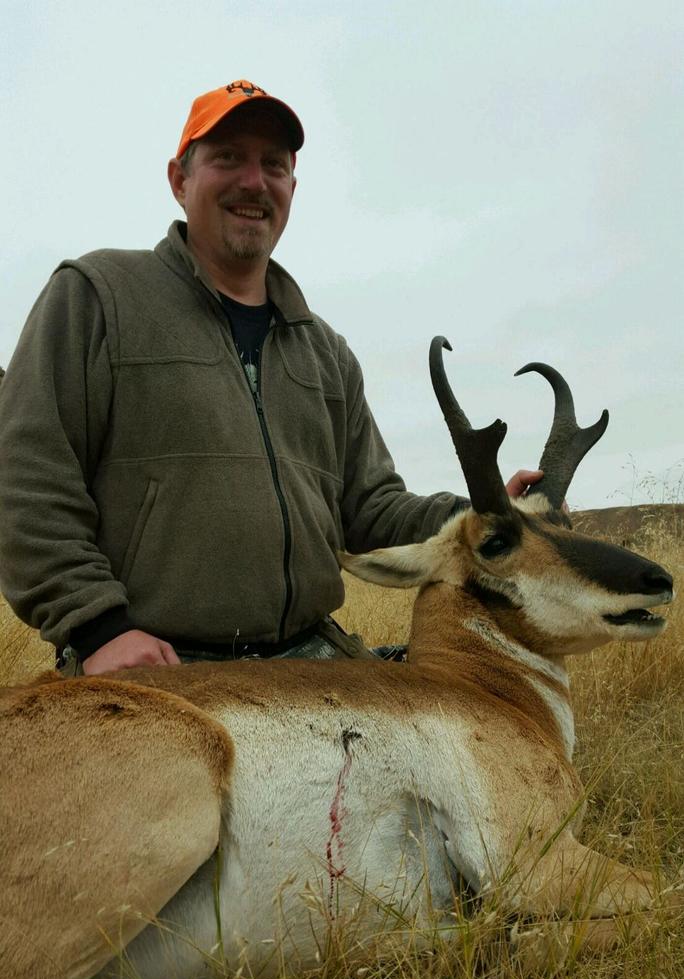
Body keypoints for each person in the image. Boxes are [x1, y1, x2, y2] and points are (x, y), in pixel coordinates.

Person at [0, 80, 540, 675]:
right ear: (180, 180)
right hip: (156, 665)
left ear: (291, 188)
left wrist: (480, 515)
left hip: (310, 660)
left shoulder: (324, 351)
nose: (253, 181)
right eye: (228, 157)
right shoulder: (97, 297)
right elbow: (25, 478)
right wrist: (98, 629)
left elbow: (370, 508)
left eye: (273, 165)